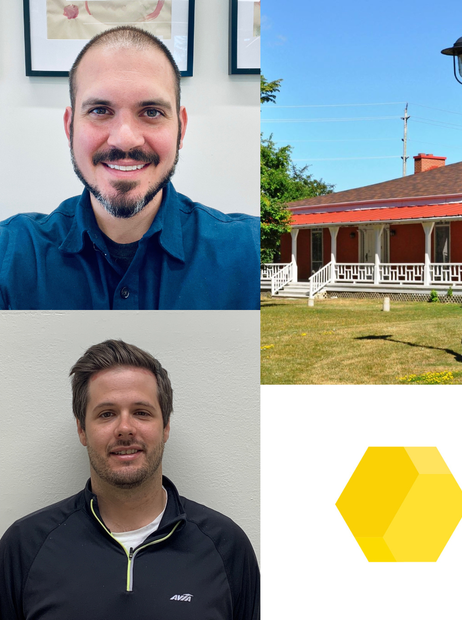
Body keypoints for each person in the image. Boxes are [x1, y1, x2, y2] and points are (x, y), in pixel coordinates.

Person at [0, 26, 258, 309]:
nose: (124, 139)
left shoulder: (247, 250)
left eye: (151, 112)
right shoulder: (9, 253)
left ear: (181, 129)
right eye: (100, 110)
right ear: (69, 127)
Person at [0, 340, 260, 619]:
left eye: (141, 412)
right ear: (82, 430)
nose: (125, 428)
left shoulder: (226, 546)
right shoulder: (25, 546)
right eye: (107, 414)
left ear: (165, 427)